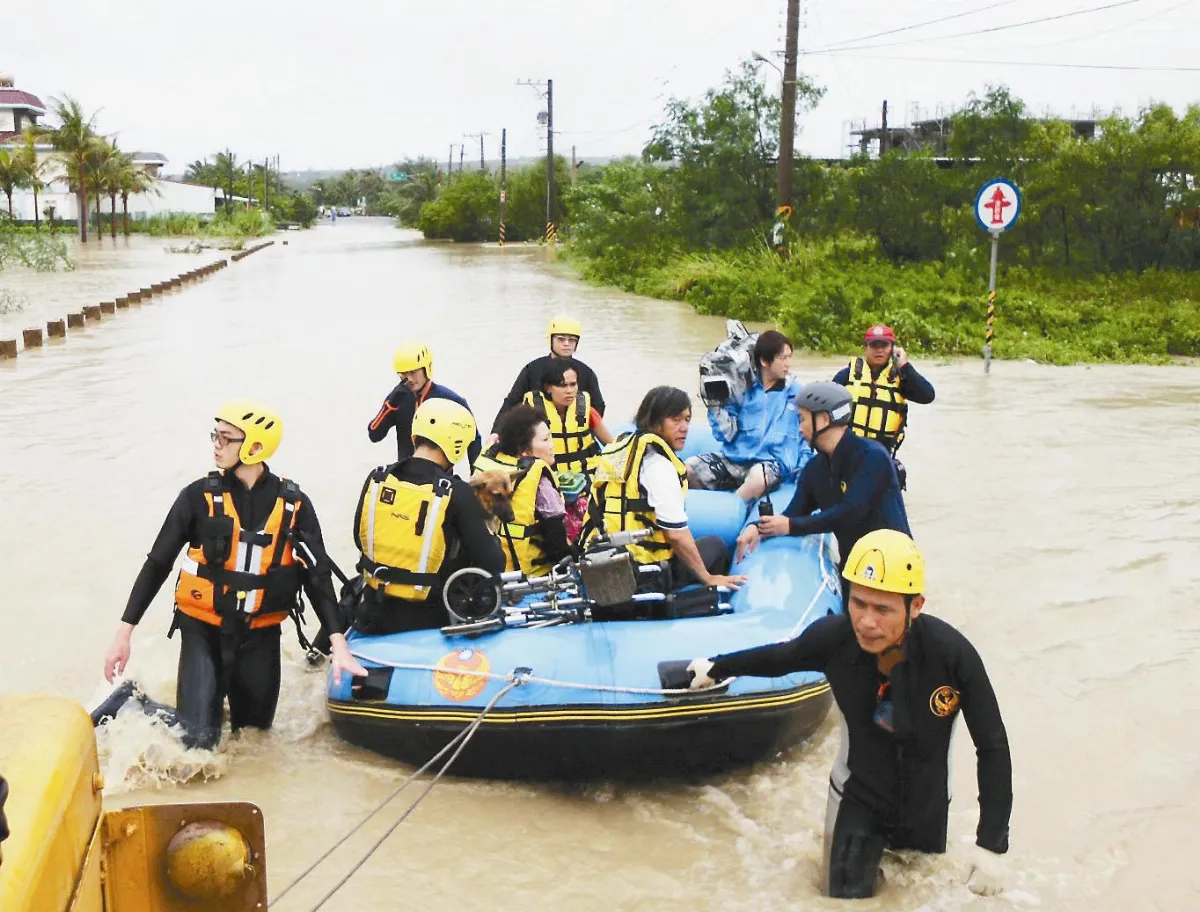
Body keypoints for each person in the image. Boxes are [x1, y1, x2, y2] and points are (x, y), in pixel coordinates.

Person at [687, 530, 1011, 900]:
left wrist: (992, 843)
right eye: (859, 604)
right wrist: (715, 667)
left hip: (927, 810)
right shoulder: (833, 640)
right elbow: (781, 658)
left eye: (883, 609)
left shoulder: (953, 656)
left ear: (916, 606)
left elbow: (992, 745)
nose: (866, 622)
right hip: (857, 802)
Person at [101, 400, 366, 750]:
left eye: (227, 438)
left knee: (255, 739)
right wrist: (124, 633)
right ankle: (131, 701)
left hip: (260, 637)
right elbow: (157, 564)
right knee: (197, 742)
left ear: (255, 447)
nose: (216, 444)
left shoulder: (295, 505)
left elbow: (316, 578)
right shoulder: (197, 496)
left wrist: (338, 644)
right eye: (215, 435)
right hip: (204, 633)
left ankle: (208, 706)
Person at [352, 398, 504, 634]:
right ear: (458, 443)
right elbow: (493, 562)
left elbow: (358, 538)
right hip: (428, 620)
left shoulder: (378, 478)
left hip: (372, 613)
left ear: (415, 434)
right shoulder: (457, 492)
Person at [736, 382, 909, 590]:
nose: (799, 429)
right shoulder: (816, 468)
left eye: (802, 419)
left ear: (824, 419)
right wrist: (757, 527)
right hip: (853, 568)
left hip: (892, 569)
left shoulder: (872, 457)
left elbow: (850, 513)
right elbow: (794, 513)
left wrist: (790, 525)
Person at [591, 386, 746, 590]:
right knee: (715, 546)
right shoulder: (659, 465)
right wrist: (707, 577)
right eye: (676, 419)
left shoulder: (621, 450)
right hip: (643, 576)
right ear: (654, 422)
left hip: (606, 566)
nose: (684, 427)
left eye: (687, 420)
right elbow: (676, 534)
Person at [687, 329, 807, 502]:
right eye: (783, 358)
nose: (788, 363)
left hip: (771, 464)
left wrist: (803, 470)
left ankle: (730, 515)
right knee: (689, 469)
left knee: (758, 478)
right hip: (734, 461)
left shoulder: (796, 394)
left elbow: (806, 438)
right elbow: (724, 435)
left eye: (790, 357)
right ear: (765, 361)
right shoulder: (741, 391)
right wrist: (715, 406)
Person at [833, 324, 935, 488]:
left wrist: (904, 365)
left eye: (884, 345)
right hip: (849, 452)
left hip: (882, 454)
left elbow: (928, 396)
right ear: (865, 348)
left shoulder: (902, 378)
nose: (879, 350)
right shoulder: (848, 374)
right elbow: (826, 405)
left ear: (893, 348)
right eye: (874, 345)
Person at [474, 405, 572, 576]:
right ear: (525, 451)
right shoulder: (538, 477)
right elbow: (556, 541)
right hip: (531, 574)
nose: (552, 445)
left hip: (485, 569)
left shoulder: (488, 463)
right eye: (545, 440)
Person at [368, 341, 482, 467]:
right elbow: (374, 435)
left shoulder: (450, 399)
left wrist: (475, 477)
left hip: (438, 477)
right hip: (405, 474)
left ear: (426, 369)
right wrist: (390, 406)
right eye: (404, 374)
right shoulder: (397, 398)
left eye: (413, 372)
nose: (409, 379)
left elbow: (473, 439)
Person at [490, 316, 606, 435]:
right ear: (550, 340)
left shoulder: (586, 372)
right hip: (538, 437)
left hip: (574, 436)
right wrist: (496, 433)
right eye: (561, 339)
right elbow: (512, 403)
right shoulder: (532, 370)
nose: (566, 344)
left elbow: (598, 406)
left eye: (571, 340)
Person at [521, 359, 613, 474]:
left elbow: (611, 444)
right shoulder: (531, 412)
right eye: (562, 385)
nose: (569, 391)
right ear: (548, 388)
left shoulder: (586, 409)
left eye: (573, 384)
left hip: (587, 476)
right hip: (549, 477)